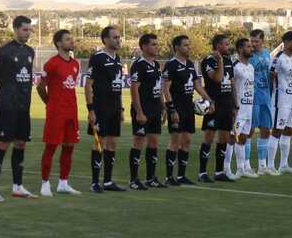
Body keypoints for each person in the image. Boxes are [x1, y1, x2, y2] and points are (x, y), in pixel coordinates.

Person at [0, 16, 38, 201]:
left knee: (21, 144)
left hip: (24, 106)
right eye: (24, 29)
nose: (28, 33)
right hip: (7, 106)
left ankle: (18, 187)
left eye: (29, 30)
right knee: (3, 144)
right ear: (15, 29)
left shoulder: (30, 52)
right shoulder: (4, 52)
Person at [161, 35, 214, 186]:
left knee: (187, 141)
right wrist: (171, 109)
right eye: (185, 45)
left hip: (188, 108)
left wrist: (209, 100)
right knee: (175, 141)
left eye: (189, 45)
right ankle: (169, 177)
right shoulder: (171, 65)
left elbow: (197, 85)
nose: (188, 47)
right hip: (176, 108)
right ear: (177, 47)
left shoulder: (190, 64)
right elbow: (165, 89)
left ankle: (181, 176)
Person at [37, 29, 82, 196]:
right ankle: (45, 183)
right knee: (51, 147)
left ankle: (63, 183)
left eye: (71, 38)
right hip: (56, 113)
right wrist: (50, 103)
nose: (71, 41)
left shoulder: (75, 63)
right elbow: (40, 87)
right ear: (59, 44)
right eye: (67, 39)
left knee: (69, 147)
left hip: (72, 112)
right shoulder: (52, 64)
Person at [84, 26, 126, 193]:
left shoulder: (117, 58)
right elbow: (88, 85)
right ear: (106, 40)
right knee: (99, 143)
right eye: (115, 37)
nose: (118, 40)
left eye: (119, 37)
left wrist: (121, 109)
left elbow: (119, 86)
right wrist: (91, 110)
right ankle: (95, 183)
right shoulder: (97, 57)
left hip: (115, 107)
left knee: (112, 143)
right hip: (101, 107)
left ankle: (108, 181)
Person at [128, 33, 167, 190]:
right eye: (153, 44)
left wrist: (163, 107)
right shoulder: (139, 65)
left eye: (157, 44)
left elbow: (159, 88)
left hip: (155, 109)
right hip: (143, 110)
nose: (157, 47)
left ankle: (151, 178)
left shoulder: (156, 64)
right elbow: (134, 90)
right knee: (138, 142)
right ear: (144, 46)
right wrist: (139, 112)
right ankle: (133, 180)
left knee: (153, 142)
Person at [199, 34, 236, 183]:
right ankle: (202, 173)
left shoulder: (228, 60)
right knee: (209, 137)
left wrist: (235, 105)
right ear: (218, 46)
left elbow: (232, 84)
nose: (229, 46)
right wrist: (219, 60)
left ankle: (219, 172)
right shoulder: (208, 61)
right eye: (226, 44)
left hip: (227, 104)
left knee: (224, 138)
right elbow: (218, 78)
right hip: (214, 105)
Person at [268, 31, 292, 173]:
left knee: (288, 131)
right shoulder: (278, 58)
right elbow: (271, 79)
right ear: (286, 42)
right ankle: (270, 166)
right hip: (281, 101)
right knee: (277, 131)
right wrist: (271, 98)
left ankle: (283, 165)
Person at [229, 37, 259, 179]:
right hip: (238, 109)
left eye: (251, 46)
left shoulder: (251, 67)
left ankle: (240, 169)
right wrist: (234, 106)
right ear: (240, 49)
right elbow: (231, 87)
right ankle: (226, 169)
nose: (251, 48)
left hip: (248, 108)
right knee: (231, 138)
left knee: (242, 138)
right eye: (248, 46)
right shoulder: (235, 66)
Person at [248, 29, 275, 174]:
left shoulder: (267, 54)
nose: (253, 44)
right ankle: (245, 166)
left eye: (256, 41)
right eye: (251, 41)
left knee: (265, 130)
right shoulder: (248, 56)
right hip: (253, 98)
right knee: (249, 131)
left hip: (266, 97)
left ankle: (262, 166)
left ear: (262, 41)